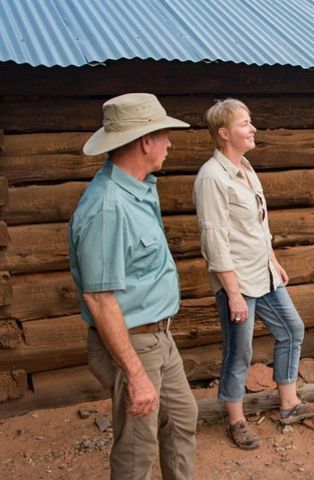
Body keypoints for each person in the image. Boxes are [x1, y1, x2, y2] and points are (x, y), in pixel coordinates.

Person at [69, 93, 198, 479]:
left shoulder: (137, 188)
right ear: (145, 141)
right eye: (163, 135)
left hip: (158, 335)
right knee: (136, 448)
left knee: (181, 418)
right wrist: (136, 375)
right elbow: (99, 298)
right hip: (134, 342)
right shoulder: (107, 206)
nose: (169, 144)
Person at [192, 98, 314, 450]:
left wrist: (274, 259)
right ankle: (236, 421)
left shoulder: (246, 168)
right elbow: (215, 240)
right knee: (239, 351)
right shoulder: (212, 177)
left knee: (292, 329)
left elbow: (258, 225)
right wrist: (233, 294)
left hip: (263, 273)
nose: (252, 128)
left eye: (251, 122)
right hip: (236, 281)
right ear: (224, 133)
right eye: (244, 124)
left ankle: (289, 404)